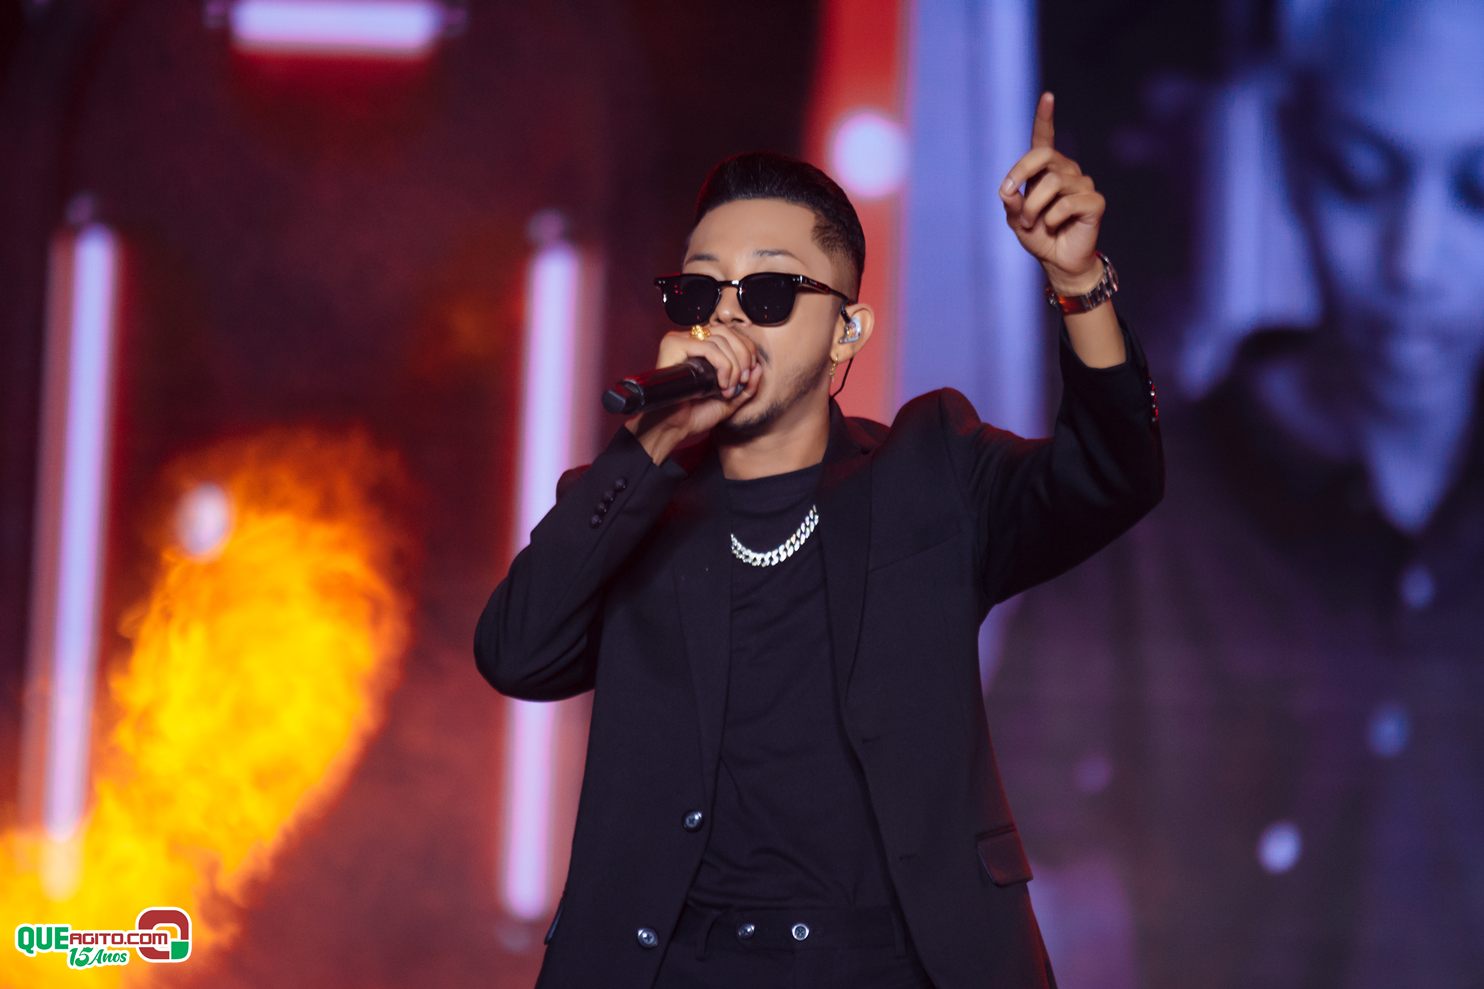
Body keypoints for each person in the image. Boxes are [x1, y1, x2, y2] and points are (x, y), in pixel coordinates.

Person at [474, 93, 1163, 989]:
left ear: (847, 331)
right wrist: (649, 444)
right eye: (700, 291)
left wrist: (1079, 284)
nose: (728, 318)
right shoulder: (632, 498)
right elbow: (517, 653)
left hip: (891, 963)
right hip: (675, 965)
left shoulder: (931, 470)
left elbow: (1113, 473)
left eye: (768, 292)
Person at [988, 2, 1484, 986]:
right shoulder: (1134, 511)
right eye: (1361, 178)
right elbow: (1001, 866)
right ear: (1292, 155)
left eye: (1479, 190)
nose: (1412, 262)